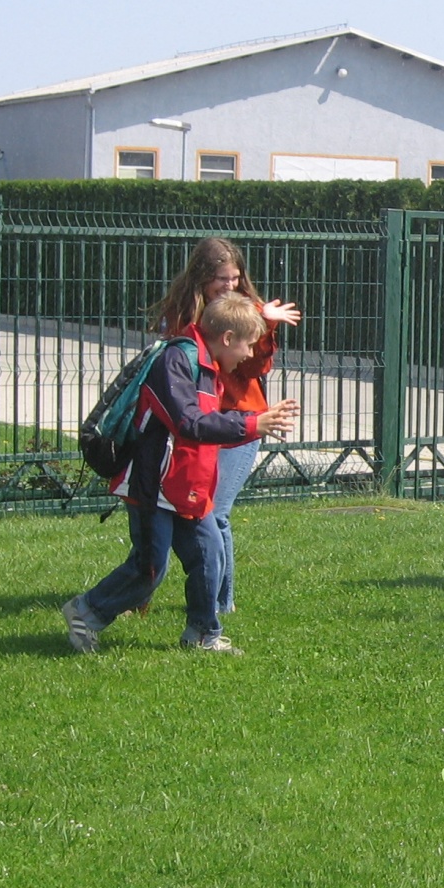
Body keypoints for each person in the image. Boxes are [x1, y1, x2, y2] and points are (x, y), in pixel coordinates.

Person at [62, 293, 300, 655]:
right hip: (153, 482)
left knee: (209, 556)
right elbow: (189, 422)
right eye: (247, 346)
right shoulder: (177, 359)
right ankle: (86, 612)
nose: (249, 355)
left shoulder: (211, 364)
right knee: (150, 568)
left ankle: (204, 634)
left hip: (189, 482)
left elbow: (205, 423)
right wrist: (253, 423)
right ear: (227, 339)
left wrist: (254, 419)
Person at [152, 237, 302, 614]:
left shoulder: (246, 311)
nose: (230, 285)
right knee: (185, 511)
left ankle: (221, 602)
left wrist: (264, 326)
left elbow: (255, 366)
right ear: (202, 277)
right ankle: (151, 588)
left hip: (240, 423)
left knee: (215, 513)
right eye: (222, 278)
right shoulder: (183, 315)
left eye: (235, 277)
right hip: (199, 425)